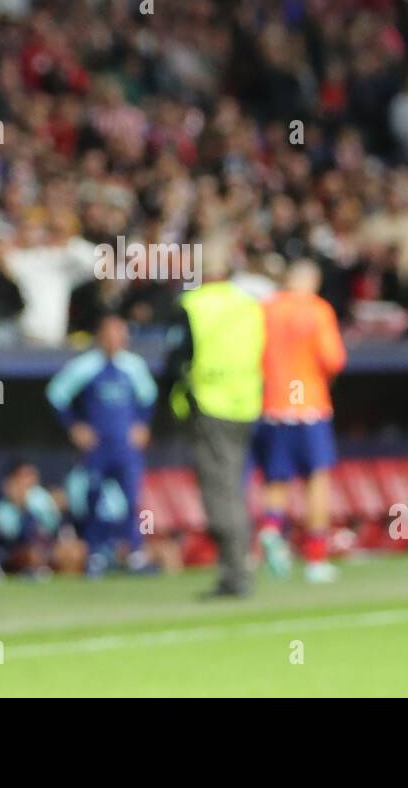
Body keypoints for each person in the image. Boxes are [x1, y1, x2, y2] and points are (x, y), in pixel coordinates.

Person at [164, 241, 266, 598]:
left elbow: (177, 360)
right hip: (246, 404)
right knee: (233, 485)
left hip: (210, 404)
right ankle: (240, 567)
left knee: (220, 491)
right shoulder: (249, 304)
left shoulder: (194, 305)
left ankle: (236, 572)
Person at [255, 260, 347, 583]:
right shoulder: (318, 310)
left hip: (274, 406)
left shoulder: (265, 310)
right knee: (317, 481)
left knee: (276, 479)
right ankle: (316, 559)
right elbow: (333, 359)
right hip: (309, 406)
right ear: (311, 281)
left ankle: (270, 528)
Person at [46, 314, 157, 574]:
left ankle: (135, 553)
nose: (114, 340)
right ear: (100, 337)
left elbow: (148, 398)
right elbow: (56, 394)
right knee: (93, 496)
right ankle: (95, 553)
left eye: (120, 335)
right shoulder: (84, 367)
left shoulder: (133, 366)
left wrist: (141, 425)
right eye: (109, 335)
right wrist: (75, 426)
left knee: (131, 498)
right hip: (97, 447)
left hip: (124, 447)